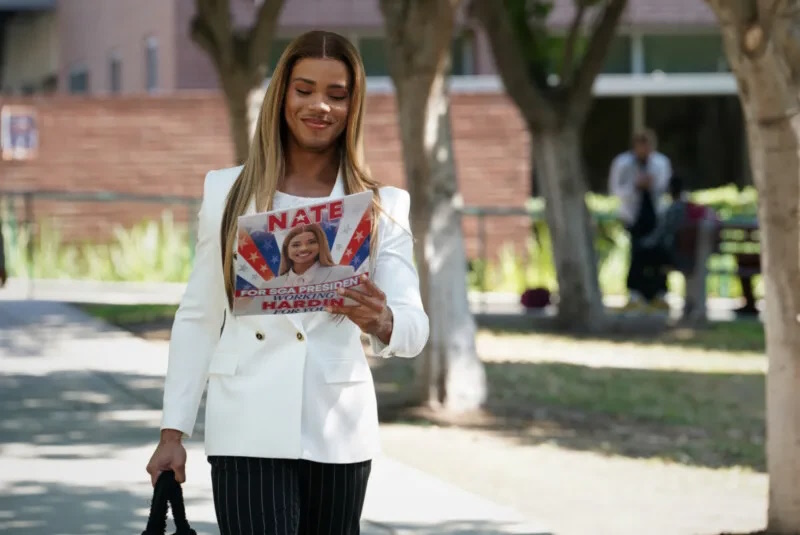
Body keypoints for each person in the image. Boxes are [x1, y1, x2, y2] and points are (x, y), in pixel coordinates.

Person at [146, 30, 429, 535]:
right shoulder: (226, 191)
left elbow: (414, 328)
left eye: (337, 94)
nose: (319, 105)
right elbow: (199, 316)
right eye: (304, 90)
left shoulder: (383, 205)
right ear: (282, 96)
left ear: (353, 104)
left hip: (337, 429)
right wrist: (173, 432)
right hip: (246, 423)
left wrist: (381, 319)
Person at [609, 129, 673, 310]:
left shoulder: (660, 163)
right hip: (633, 216)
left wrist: (652, 184)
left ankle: (659, 293)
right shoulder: (623, 163)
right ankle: (635, 293)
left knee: (658, 255)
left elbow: (665, 187)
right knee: (636, 255)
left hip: (656, 215)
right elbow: (616, 189)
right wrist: (635, 186)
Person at [272, 223, 356, 287]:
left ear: (320, 245)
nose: (304, 248)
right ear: (286, 250)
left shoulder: (344, 274)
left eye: (311, 242)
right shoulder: (269, 286)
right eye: (296, 245)